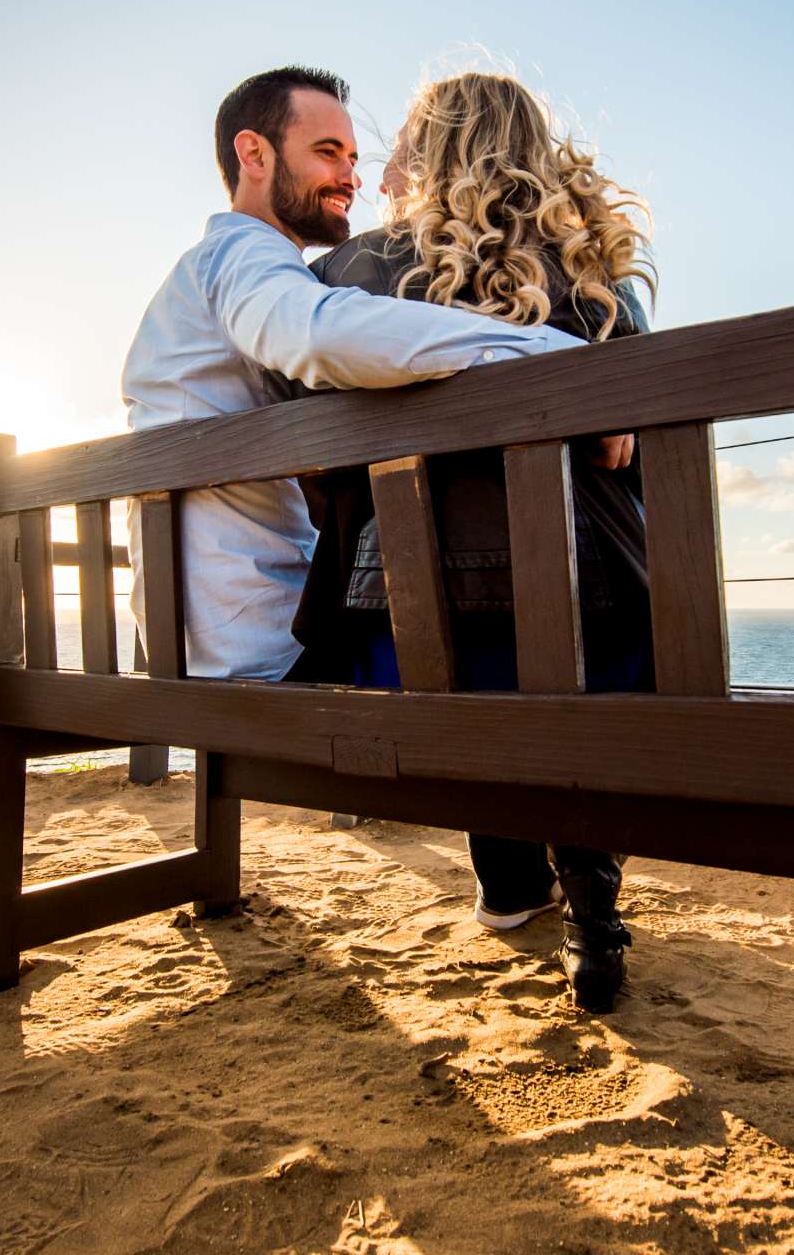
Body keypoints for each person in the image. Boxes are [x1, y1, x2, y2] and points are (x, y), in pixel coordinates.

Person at [291, 71, 658, 1012]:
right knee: (567, 670)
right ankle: (589, 895)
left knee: (468, 651)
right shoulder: (598, 281)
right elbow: (652, 434)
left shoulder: (359, 272)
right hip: (606, 628)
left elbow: (299, 413)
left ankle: (510, 884)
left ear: (431, 156)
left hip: (408, 640)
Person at [121, 66, 586, 684]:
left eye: (354, 157)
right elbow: (317, 333)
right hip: (267, 644)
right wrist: (548, 354)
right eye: (327, 153)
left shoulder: (224, 273)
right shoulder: (241, 255)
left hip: (222, 635)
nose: (352, 177)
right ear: (253, 154)